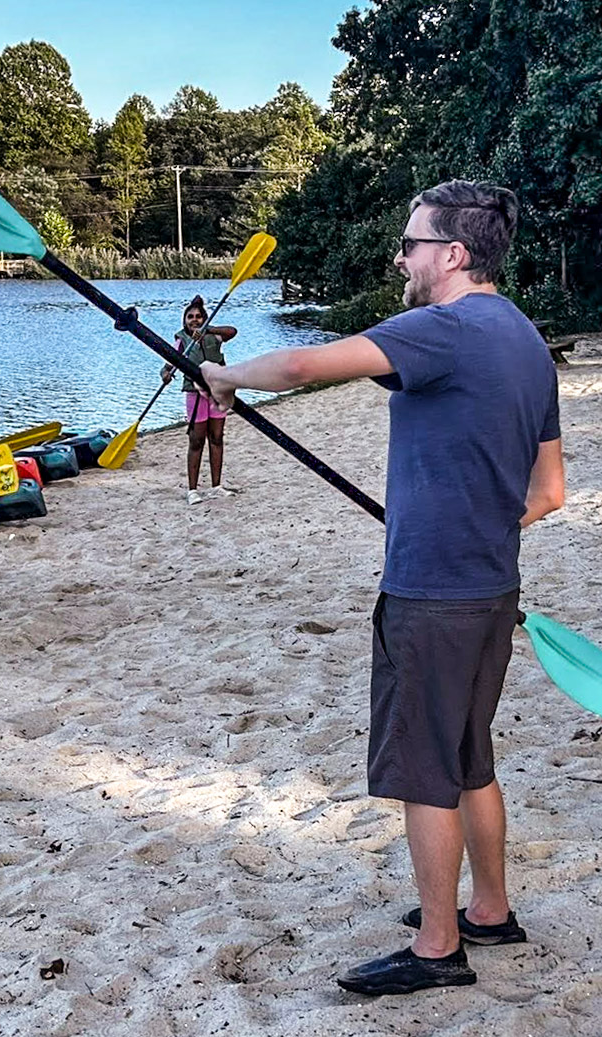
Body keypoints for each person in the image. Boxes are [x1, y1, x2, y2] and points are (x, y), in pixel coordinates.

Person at [200, 180, 565, 996]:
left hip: (432, 594)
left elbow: (299, 364)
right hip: (488, 588)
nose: (400, 255)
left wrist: (224, 375)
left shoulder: (443, 326)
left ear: (452, 254)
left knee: (423, 767)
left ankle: (438, 948)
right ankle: (489, 909)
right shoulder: (524, 338)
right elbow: (548, 494)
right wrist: (475, 521)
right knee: (469, 755)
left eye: (411, 242)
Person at [161, 295, 236, 504]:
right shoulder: (181, 342)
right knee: (196, 441)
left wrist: (208, 330)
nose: (194, 320)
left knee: (217, 437)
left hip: (217, 393)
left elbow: (232, 331)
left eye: (198, 317)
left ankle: (216, 486)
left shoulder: (214, 336)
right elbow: (167, 367)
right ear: (184, 320)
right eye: (190, 317)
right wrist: (165, 375)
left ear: (204, 319)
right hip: (195, 394)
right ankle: (192, 490)